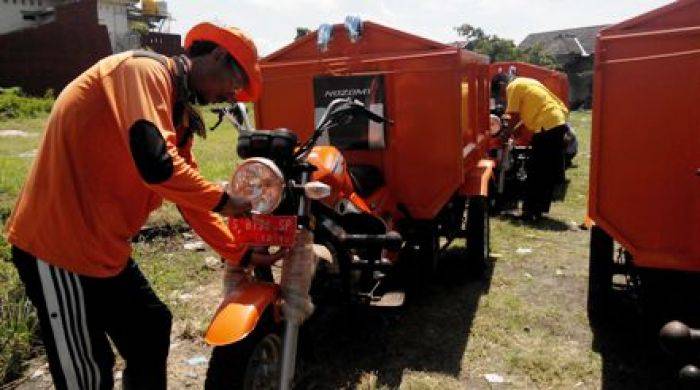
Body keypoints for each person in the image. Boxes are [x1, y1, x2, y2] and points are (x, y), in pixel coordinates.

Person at [3, 22, 284, 390]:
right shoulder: (141, 70)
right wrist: (224, 201)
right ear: (216, 55)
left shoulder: (174, 108)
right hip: (58, 249)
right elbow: (157, 164)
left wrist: (240, 253)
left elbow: (188, 199)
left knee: (150, 328)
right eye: (232, 84)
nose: (228, 96)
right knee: (87, 371)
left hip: (103, 249)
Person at [493, 74, 569, 221]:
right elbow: (527, 113)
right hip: (557, 121)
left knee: (535, 170)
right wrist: (515, 130)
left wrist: (505, 135)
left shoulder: (513, 87)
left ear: (503, 85)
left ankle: (529, 212)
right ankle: (539, 210)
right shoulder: (529, 81)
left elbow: (513, 116)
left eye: (500, 93)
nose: (503, 97)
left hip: (547, 125)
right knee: (546, 170)